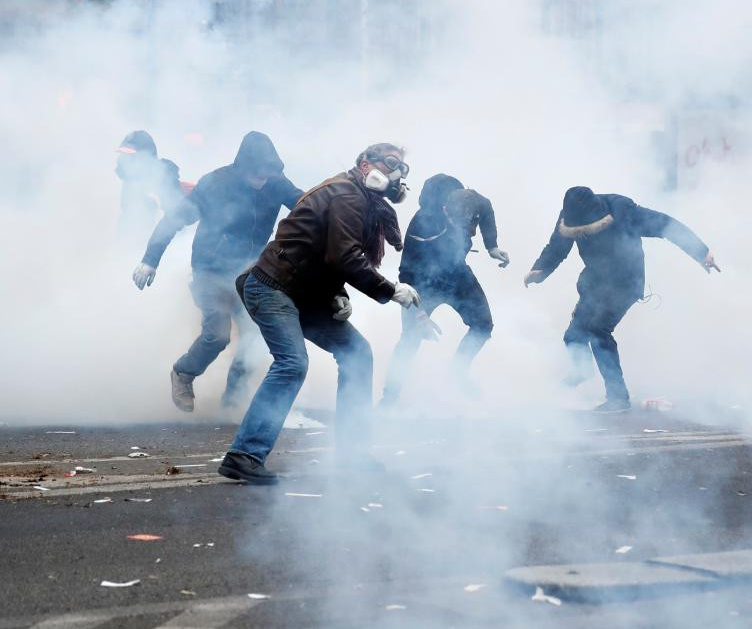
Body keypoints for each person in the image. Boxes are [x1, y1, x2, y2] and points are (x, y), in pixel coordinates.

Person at [218, 144, 419, 484]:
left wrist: (336, 295)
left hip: (304, 293)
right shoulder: (347, 195)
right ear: (365, 163)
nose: (396, 174)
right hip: (272, 287)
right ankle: (244, 455)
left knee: (357, 353)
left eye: (401, 169)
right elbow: (344, 256)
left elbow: (324, 254)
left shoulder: (357, 197)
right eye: (390, 164)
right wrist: (390, 290)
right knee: (292, 363)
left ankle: (353, 454)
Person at [132, 132, 302, 411]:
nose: (262, 181)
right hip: (209, 271)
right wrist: (150, 259)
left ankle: (232, 400)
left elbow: (307, 205)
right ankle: (184, 373)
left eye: (267, 176)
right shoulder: (215, 183)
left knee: (256, 335)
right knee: (218, 334)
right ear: (244, 167)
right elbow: (175, 218)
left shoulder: (275, 182)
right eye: (257, 174)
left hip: (251, 273)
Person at [524, 187, 719, 412]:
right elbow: (557, 247)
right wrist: (540, 270)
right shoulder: (569, 215)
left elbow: (665, 224)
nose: (582, 236)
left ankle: (618, 397)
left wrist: (701, 252)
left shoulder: (621, 210)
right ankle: (582, 370)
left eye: (586, 231)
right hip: (596, 283)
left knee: (598, 330)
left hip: (626, 281)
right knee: (573, 336)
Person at [380, 174, 510, 407]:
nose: (467, 228)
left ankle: (458, 371)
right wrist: (419, 315)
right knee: (411, 338)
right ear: (445, 210)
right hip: (423, 283)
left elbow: (487, 210)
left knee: (483, 325)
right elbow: (406, 274)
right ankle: (389, 397)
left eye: (469, 222)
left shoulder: (476, 202)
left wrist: (492, 246)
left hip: (459, 276)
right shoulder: (422, 224)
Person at [115, 130, 188, 238]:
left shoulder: (165, 179)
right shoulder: (131, 180)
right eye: (124, 154)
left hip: (158, 245)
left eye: (130, 155)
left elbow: (176, 222)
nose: (126, 160)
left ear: (146, 156)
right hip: (132, 243)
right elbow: (128, 216)